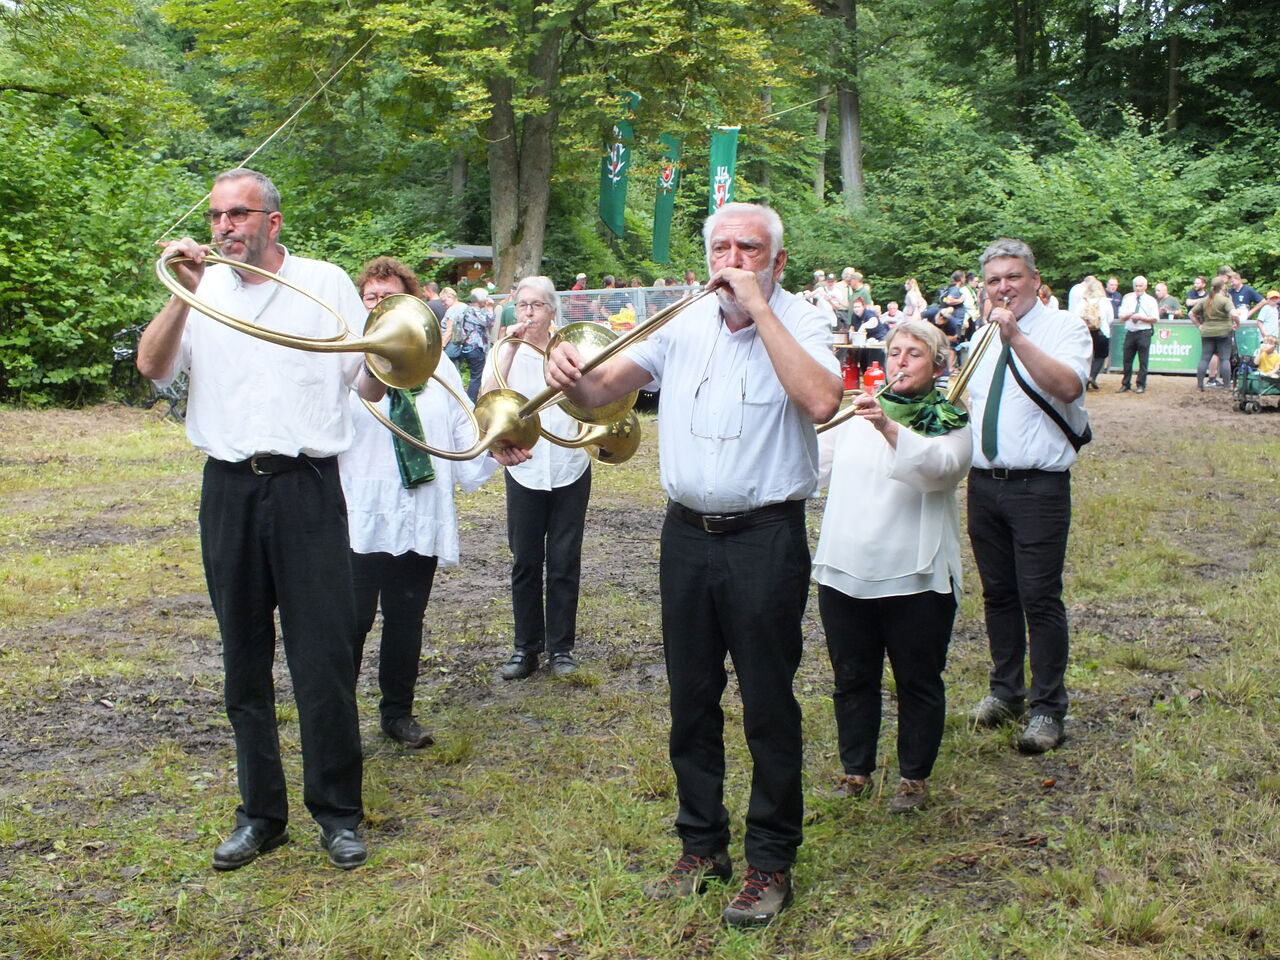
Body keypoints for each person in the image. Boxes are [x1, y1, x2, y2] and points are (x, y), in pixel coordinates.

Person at [544, 202, 841, 927]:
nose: (731, 260)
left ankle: (770, 861)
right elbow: (599, 393)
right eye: (720, 248)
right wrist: (566, 374)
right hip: (685, 535)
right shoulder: (680, 322)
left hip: (766, 537)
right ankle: (701, 845)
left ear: (777, 261)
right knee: (691, 698)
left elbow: (823, 399)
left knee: (768, 704)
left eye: (749, 249)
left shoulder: (801, 321)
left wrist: (758, 309)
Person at [137, 168, 388, 871]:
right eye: (217, 215)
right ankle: (261, 815)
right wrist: (180, 293)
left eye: (239, 214)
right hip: (228, 489)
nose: (224, 227)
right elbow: (153, 367)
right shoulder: (201, 289)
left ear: (272, 223)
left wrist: (389, 352)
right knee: (243, 660)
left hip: (308, 486)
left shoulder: (324, 282)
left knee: (323, 658)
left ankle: (337, 813)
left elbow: (364, 381)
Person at [814, 320, 971, 813]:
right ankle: (854, 769)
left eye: (915, 354)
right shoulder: (852, 413)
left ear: (938, 365)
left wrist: (887, 426)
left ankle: (913, 777)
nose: (901, 361)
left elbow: (941, 473)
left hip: (916, 573)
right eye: (895, 351)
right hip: (846, 564)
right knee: (852, 675)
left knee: (917, 678)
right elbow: (809, 466)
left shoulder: (950, 417)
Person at [343, 259, 501, 749]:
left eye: (389, 298)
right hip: (359, 516)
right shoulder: (346, 359)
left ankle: (398, 713)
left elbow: (462, 442)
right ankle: (337, 717)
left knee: (406, 619)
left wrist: (498, 446)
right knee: (349, 622)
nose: (379, 306)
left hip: (418, 515)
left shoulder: (440, 366)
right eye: (371, 298)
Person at [965, 238, 1090, 755]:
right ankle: (1006, 692)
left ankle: (1047, 708)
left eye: (1013, 277)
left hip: (1037, 487)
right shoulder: (979, 336)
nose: (1003, 288)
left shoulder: (1065, 328)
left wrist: (1015, 337)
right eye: (993, 281)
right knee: (998, 596)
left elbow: (1067, 388)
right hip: (983, 485)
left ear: (1035, 281)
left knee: (1039, 598)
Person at [482, 277, 593, 681]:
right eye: (522, 305)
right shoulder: (504, 349)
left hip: (569, 464)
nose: (528, 313)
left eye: (536, 306)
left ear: (552, 311)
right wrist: (508, 346)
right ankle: (525, 648)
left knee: (564, 560)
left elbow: (593, 396)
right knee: (525, 561)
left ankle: (561, 649)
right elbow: (489, 397)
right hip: (525, 467)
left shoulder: (568, 349)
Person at [1189, 275, 1237, 391]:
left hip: (1207, 332)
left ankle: (1200, 385)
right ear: (1223, 287)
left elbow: (1191, 314)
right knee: (1225, 359)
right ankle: (1226, 386)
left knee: (1204, 359)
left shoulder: (1205, 300)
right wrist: (1237, 324)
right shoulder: (1225, 300)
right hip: (1224, 332)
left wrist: (1199, 326)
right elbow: (1234, 314)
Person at [1117, 276, 1159, 394]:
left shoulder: (1150, 300)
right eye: (1136, 285)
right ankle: (1125, 384)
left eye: (1140, 286)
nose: (1138, 288)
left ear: (1145, 286)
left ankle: (1141, 384)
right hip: (1131, 332)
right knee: (1127, 359)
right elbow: (1121, 317)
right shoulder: (1127, 299)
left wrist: (1142, 318)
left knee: (1143, 360)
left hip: (1144, 332)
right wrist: (1128, 315)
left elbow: (1155, 319)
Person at [1070, 277, 1113, 390]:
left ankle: (1084, 377)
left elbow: (1076, 316)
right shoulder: (1105, 302)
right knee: (1100, 356)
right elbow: (1110, 318)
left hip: (1085, 332)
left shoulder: (1083, 302)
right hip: (1101, 332)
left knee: (1085, 357)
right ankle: (1092, 376)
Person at [452, 288, 495, 402]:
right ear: (481, 299)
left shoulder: (469, 310)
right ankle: (471, 403)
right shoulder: (474, 311)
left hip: (468, 347)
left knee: (474, 376)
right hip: (475, 348)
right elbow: (488, 322)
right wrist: (490, 308)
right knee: (476, 378)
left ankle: (469, 401)